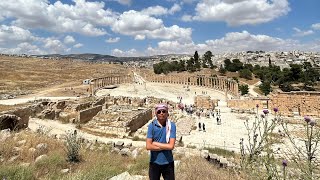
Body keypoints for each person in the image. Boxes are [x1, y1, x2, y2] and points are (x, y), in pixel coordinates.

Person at [146, 103, 176, 180]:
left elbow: (171, 146)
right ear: (156, 113)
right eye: (159, 112)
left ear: (167, 113)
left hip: (168, 162)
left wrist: (155, 143)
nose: (161, 113)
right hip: (154, 162)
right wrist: (166, 146)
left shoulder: (171, 125)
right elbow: (148, 146)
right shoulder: (151, 126)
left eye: (163, 111)